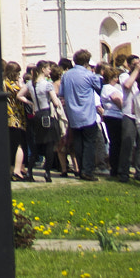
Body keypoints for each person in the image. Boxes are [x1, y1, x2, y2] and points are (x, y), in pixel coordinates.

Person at [58, 49, 103, 182]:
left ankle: (80, 169)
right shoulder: (89, 75)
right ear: (87, 62)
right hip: (87, 114)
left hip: (73, 114)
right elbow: (99, 87)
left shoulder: (66, 75)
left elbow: (61, 93)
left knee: (77, 143)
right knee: (89, 143)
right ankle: (87, 171)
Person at [4, 60, 29, 180]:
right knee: (19, 145)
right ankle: (16, 170)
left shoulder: (3, 83)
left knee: (10, 145)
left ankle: (10, 170)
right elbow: (24, 92)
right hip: (16, 118)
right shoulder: (14, 85)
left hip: (7, 117)